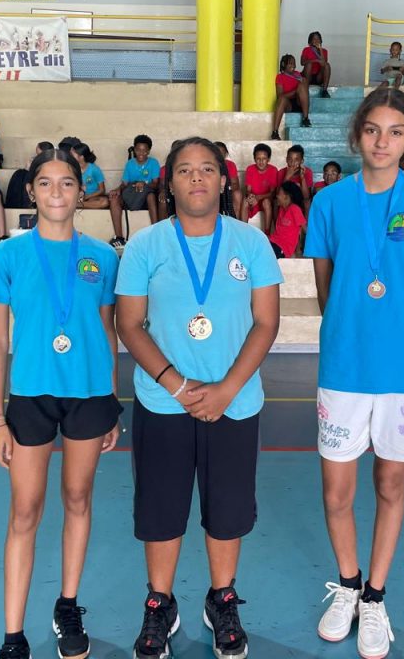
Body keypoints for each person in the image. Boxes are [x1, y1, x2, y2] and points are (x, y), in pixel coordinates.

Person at [115, 136, 282, 659]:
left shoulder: (251, 243)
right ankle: (159, 604)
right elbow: (129, 323)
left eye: (206, 168)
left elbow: (266, 322)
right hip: (164, 401)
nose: (196, 178)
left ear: (223, 179)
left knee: (228, 509)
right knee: (161, 508)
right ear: (169, 181)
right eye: (185, 170)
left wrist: (226, 389)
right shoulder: (146, 245)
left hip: (235, 402)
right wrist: (178, 385)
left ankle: (221, 599)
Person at [304, 88, 404, 659]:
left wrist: (397, 328)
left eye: (394, 131)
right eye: (372, 130)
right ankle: (347, 584)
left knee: (391, 482)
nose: (382, 141)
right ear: (357, 135)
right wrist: (355, 325)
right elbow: (326, 288)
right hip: (345, 362)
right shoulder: (329, 202)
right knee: (336, 490)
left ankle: (375, 595)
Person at [0, 148, 121, 659]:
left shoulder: (103, 257)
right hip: (30, 397)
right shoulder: (6, 256)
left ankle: (67, 606)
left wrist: (111, 400)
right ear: (31, 191)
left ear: (81, 192)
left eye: (67, 182)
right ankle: (13, 636)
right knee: (25, 510)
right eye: (45, 183)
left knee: (78, 498)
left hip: (89, 396)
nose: (56, 192)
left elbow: (108, 332)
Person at [108, 134, 159, 249]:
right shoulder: (130, 164)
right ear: (135, 150)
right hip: (131, 196)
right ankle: (119, 238)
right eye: (138, 150)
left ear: (148, 151)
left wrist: (144, 184)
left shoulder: (153, 163)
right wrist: (117, 189)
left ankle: (156, 232)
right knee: (114, 199)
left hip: (145, 197)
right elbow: (125, 184)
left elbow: (155, 184)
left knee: (151, 196)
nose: (141, 153)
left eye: (144, 150)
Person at [271, 54, 311, 140]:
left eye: (294, 63)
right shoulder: (280, 77)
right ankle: (275, 132)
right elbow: (280, 96)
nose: (293, 66)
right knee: (282, 99)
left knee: (302, 85)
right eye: (290, 63)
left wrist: (302, 86)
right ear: (283, 64)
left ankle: (305, 118)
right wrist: (295, 91)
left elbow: (304, 90)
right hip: (288, 104)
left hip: (300, 103)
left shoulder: (298, 75)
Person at [243, 143, 280, 234]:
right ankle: (243, 231)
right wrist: (250, 196)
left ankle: (267, 233)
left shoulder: (273, 170)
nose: (261, 161)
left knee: (266, 202)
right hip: (255, 200)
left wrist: (258, 197)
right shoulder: (250, 169)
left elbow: (272, 193)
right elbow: (248, 190)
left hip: (266, 200)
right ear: (254, 159)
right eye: (258, 159)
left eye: (264, 159)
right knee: (245, 201)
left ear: (268, 159)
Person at [269, 180, 306, 258]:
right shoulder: (282, 209)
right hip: (273, 242)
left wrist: (299, 250)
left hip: (283, 248)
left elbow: (305, 229)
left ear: (286, 197)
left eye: (279, 194)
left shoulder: (295, 209)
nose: (277, 196)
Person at [68, 141, 109, 209]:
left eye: (73, 155)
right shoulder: (71, 168)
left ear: (81, 157)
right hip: (77, 196)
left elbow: (102, 190)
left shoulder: (94, 169)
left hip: (92, 197)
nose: (71, 157)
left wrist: (87, 196)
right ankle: (77, 204)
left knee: (104, 202)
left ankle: (77, 205)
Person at [278, 144, 314, 210]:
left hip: (300, 201)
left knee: (307, 203)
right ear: (286, 159)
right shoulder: (281, 172)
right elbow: (278, 194)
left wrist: (302, 178)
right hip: (286, 201)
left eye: (296, 159)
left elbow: (306, 197)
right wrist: (287, 177)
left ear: (302, 161)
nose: (293, 162)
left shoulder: (307, 172)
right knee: (277, 202)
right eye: (290, 159)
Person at [214, 141, 243, 220]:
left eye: (222, 153)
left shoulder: (230, 165)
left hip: (227, 190)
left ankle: (235, 222)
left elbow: (236, 184)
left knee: (237, 194)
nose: (219, 155)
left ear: (226, 154)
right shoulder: (208, 165)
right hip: (212, 192)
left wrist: (224, 188)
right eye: (217, 152)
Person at [301, 31, 332, 96]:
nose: (316, 40)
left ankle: (324, 91)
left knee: (327, 65)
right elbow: (302, 62)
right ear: (310, 41)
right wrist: (316, 60)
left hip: (318, 77)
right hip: (308, 76)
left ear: (321, 40)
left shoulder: (324, 51)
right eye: (314, 39)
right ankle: (306, 89)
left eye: (318, 39)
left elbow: (324, 64)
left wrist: (320, 49)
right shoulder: (306, 49)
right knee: (309, 64)